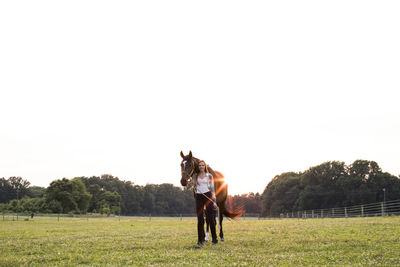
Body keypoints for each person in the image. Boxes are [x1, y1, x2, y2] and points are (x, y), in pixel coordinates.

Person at [194, 160, 217, 248]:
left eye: (202, 165)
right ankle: (200, 240)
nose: (201, 167)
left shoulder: (209, 176)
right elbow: (190, 186)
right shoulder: (195, 176)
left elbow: (212, 188)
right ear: (198, 167)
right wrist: (190, 183)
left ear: (205, 166)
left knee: (210, 218)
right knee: (200, 219)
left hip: (208, 195)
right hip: (199, 196)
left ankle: (214, 239)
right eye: (199, 165)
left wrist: (214, 199)